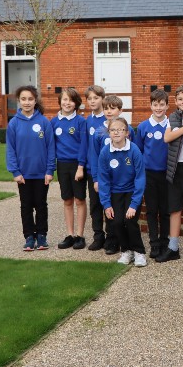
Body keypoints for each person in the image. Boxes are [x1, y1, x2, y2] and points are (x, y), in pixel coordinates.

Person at [6, 85, 55, 252]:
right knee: (26, 206)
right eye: (23, 99)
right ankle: (29, 236)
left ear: (35, 101)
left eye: (30, 99)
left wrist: (50, 171)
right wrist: (15, 171)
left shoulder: (44, 122)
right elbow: (10, 150)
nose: (27, 102)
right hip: (23, 175)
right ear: (18, 101)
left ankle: (41, 235)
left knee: (41, 205)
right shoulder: (13, 123)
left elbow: (51, 148)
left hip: (41, 174)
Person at [156, 85, 183, 263]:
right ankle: (173, 247)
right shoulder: (172, 117)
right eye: (180, 99)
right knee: (174, 209)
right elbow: (167, 138)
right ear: (175, 101)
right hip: (174, 169)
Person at [98, 117, 147, 267]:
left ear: (126, 132)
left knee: (130, 221)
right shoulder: (105, 152)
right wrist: (106, 204)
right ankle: (126, 251)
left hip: (132, 191)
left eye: (120, 129)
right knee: (117, 222)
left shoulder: (134, 150)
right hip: (115, 192)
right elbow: (103, 179)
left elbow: (140, 177)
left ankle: (139, 252)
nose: (116, 132)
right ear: (109, 133)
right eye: (113, 130)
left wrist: (134, 204)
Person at [91, 94, 135, 255]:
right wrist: (96, 179)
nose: (109, 111)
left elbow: (133, 151)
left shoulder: (127, 129)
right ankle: (111, 240)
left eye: (113, 108)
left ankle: (126, 240)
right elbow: (94, 155)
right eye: (106, 108)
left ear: (120, 110)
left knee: (124, 212)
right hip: (107, 178)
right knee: (108, 208)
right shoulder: (99, 132)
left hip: (123, 178)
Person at [134, 89, 171, 259]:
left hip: (167, 174)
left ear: (167, 106)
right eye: (155, 104)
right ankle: (154, 243)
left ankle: (165, 242)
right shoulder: (143, 127)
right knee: (151, 210)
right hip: (149, 174)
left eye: (161, 104)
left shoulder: (171, 125)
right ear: (150, 105)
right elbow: (138, 152)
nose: (158, 108)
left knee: (165, 210)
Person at [51, 87, 88, 250]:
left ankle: (80, 235)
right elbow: (51, 146)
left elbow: (84, 146)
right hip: (62, 165)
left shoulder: (81, 122)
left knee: (80, 199)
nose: (67, 103)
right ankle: (70, 234)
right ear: (60, 101)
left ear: (76, 104)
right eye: (65, 99)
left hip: (77, 165)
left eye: (71, 100)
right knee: (67, 200)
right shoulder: (53, 122)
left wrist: (81, 167)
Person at [83, 85, 107, 251]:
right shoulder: (88, 121)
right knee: (95, 205)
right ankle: (98, 236)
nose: (92, 101)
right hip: (93, 171)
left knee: (109, 204)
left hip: (109, 172)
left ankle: (113, 237)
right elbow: (85, 146)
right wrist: (82, 166)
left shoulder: (108, 119)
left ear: (102, 99)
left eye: (96, 98)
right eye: (90, 98)